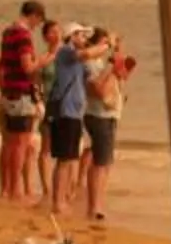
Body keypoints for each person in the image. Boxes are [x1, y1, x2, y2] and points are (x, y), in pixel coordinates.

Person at [0, 0, 45, 201]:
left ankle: (6, 188)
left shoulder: (8, 32)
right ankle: (15, 190)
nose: (37, 26)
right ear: (34, 16)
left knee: (8, 144)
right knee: (20, 144)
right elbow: (27, 67)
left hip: (9, 92)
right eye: (38, 22)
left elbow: (3, 63)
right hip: (21, 94)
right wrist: (41, 61)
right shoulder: (23, 36)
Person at [42, 23, 94, 215]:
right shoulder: (66, 52)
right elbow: (87, 53)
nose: (84, 39)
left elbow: (90, 72)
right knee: (64, 159)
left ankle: (63, 198)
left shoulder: (77, 60)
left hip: (74, 113)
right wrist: (107, 44)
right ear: (72, 37)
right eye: (81, 35)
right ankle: (57, 202)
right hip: (65, 112)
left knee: (71, 158)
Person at [84, 33, 135, 221]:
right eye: (104, 42)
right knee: (100, 163)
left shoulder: (100, 64)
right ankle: (94, 207)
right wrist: (111, 65)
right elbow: (98, 89)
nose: (107, 46)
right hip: (100, 116)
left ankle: (98, 203)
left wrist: (118, 53)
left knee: (104, 163)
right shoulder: (90, 65)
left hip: (108, 116)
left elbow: (122, 75)